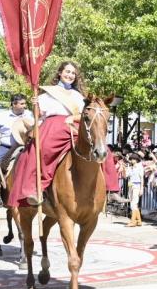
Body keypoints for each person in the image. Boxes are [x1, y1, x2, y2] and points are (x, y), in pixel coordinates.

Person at [7, 61, 119, 207]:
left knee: (103, 149)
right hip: (53, 126)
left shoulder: (79, 96)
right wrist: (35, 105)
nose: (70, 75)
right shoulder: (47, 94)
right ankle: (39, 188)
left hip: (75, 126)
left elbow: (86, 115)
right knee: (43, 147)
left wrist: (73, 117)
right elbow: (39, 115)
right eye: (67, 72)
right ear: (60, 73)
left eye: (73, 73)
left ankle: (112, 190)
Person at [0, 94, 33, 208]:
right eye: (21, 104)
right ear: (13, 104)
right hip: (6, 147)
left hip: (28, 146)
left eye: (24, 103)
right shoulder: (2, 116)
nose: (24, 106)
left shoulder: (30, 114)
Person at [125, 153, 144, 227]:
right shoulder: (130, 167)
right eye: (131, 159)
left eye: (133, 159)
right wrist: (124, 168)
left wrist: (141, 188)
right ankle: (139, 221)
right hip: (131, 185)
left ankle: (133, 221)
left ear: (136, 159)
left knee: (134, 203)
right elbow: (126, 176)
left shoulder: (140, 167)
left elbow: (142, 178)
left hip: (137, 185)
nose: (132, 160)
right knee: (133, 203)